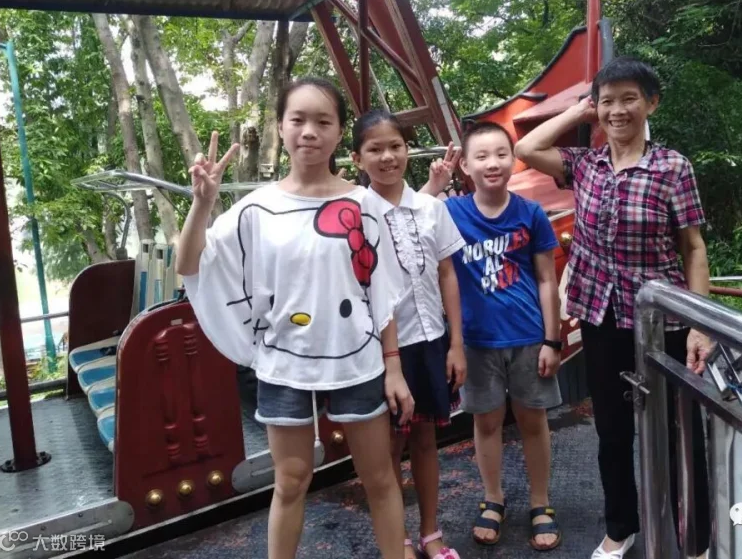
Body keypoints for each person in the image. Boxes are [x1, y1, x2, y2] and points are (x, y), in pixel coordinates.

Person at [176, 78, 415, 559]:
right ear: (281, 126)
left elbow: (381, 293)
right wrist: (202, 203)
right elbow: (189, 264)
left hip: (358, 361)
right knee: (290, 480)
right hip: (284, 364)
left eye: (323, 121)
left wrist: (394, 367)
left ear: (339, 132)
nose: (309, 131)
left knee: (379, 477)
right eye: (298, 119)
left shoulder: (365, 205)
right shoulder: (255, 210)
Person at [514, 56, 714, 559]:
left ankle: (695, 537)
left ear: (652, 103)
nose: (618, 110)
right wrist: (581, 110)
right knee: (612, 432)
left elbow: (693, 248)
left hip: (661, 320)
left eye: (630, 99)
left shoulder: (672, 167)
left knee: (680, 431)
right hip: (601, 317)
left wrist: (700, 324)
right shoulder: (586, 165)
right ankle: (620, 528)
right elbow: (525, 148)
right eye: (608, 101)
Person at [350, 110, 467, 559]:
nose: (387, 157)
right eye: (375, 149)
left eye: (395, 146)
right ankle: (395, 536)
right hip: (383, 351)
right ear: (357, 158)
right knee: (388, 446)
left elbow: (447, 274)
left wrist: (456, 344)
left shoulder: (431, 208)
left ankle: (431, 532)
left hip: (431, 339)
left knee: (425, 439)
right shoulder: (356, 215)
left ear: (407, 150)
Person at [443, 121, 564, 552]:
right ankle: (493, 497)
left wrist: (553, 340)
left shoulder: (530, 213)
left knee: (533, 420)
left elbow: (547, 279)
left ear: (513, 160)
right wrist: (434, 182)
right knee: (487, 422)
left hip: (529, 336)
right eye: (481, 156)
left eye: (500, 154)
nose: (492, 163)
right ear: (466, 166)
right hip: (477, 341)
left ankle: (540, 502)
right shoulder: (451, 213)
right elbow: (402, 216)